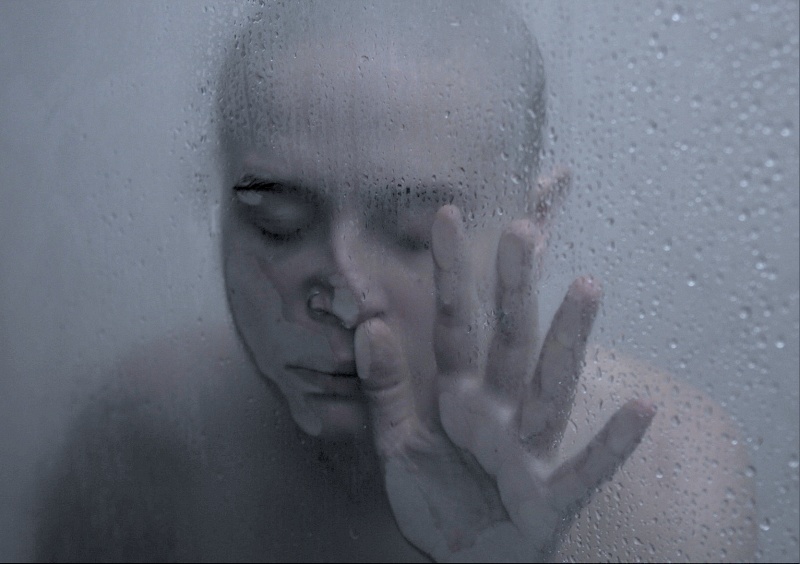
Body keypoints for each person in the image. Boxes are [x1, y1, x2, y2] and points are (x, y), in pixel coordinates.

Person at [34, 1, 756, 562]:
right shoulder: (146, 438)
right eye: (276, 223)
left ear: (532, 224)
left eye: (415, 232)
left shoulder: (667, 482)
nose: (346, 292)